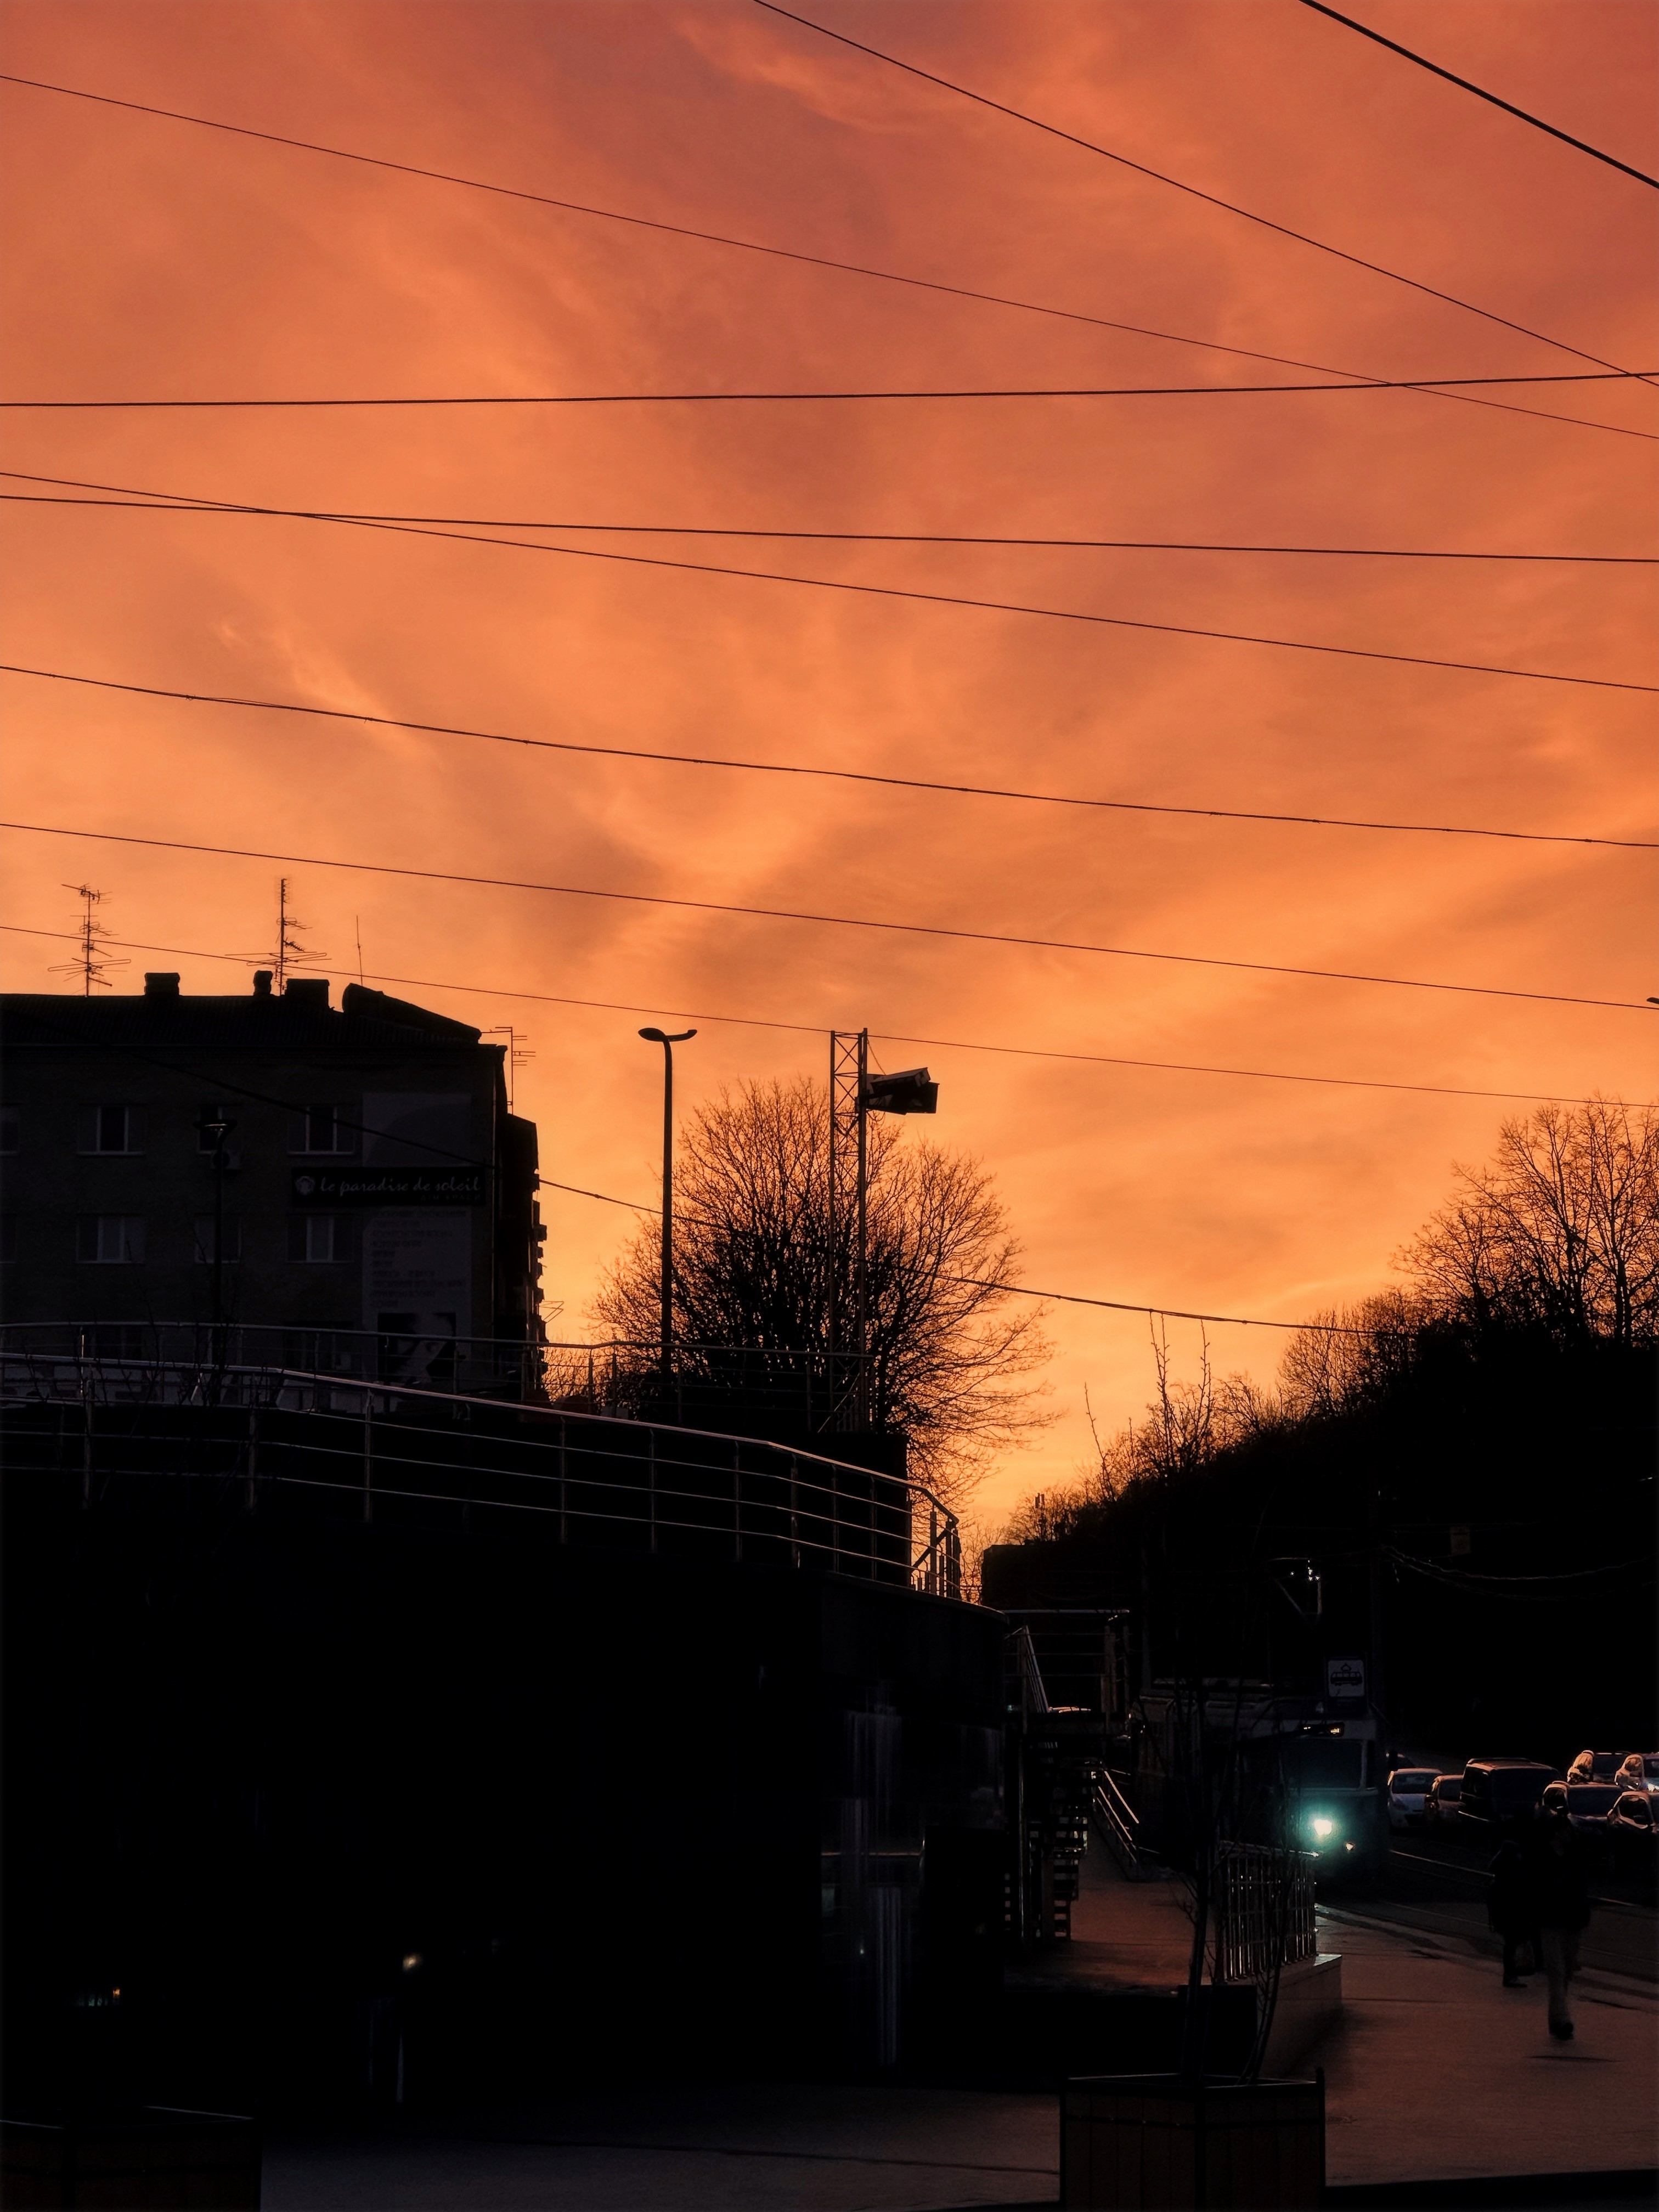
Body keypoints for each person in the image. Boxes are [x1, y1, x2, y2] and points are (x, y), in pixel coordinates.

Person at [1525, 1788, 1592, 2040]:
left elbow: (1581, 1888)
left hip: (1572, 1920)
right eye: (1564, 1831)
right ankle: (1562, 2019)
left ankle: (1557, 2017)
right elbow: (1533, 1887)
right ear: (1556, 1833)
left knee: (1565, 1971)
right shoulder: (1542, 1858)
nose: (1568, 1834)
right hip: (1551, 1920)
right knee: (1556, 1970)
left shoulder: (1574, 1857)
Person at [1487, 1839, 1535, 1987]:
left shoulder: (1500, 1873)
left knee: (1510, 1945)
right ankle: (1511, 1975)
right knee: (1512, 1945)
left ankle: (1510, 1975)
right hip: (1513, 1915)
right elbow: (1519, 1895)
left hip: (1503, 1916)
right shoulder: (1513, 1873)